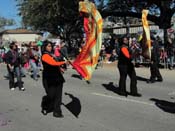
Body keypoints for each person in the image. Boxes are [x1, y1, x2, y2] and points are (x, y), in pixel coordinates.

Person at [41, 41, 66, 118]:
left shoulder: (52, 55)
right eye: (48, 46)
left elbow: (55, 63)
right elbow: (52, 63)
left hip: (57, 76)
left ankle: (57, 112)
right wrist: (63, 62)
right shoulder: (44, 55)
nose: (50, 47)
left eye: (51, 46)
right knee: (51, 95)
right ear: (45, 47)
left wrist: (60, 68)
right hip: (49, 77)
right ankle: (45, 106)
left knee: (58, 95)